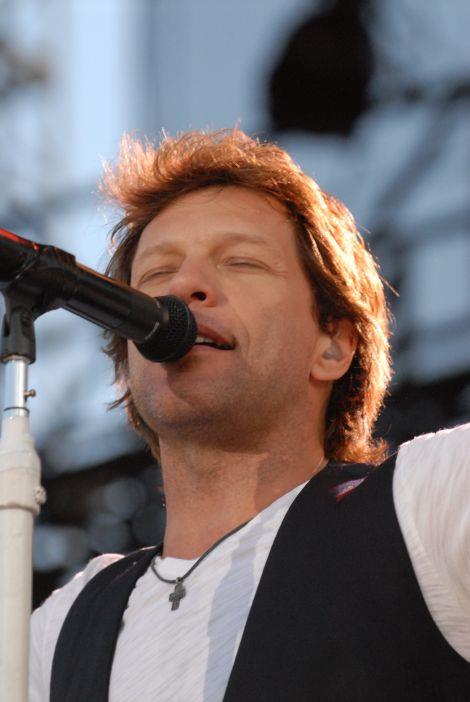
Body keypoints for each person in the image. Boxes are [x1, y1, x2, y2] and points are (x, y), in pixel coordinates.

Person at [29, 129, 470, 701]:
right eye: (157, 275)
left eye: (241, 262)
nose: (184, 287)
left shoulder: (425, 505)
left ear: (332, 345)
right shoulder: (59, 632)